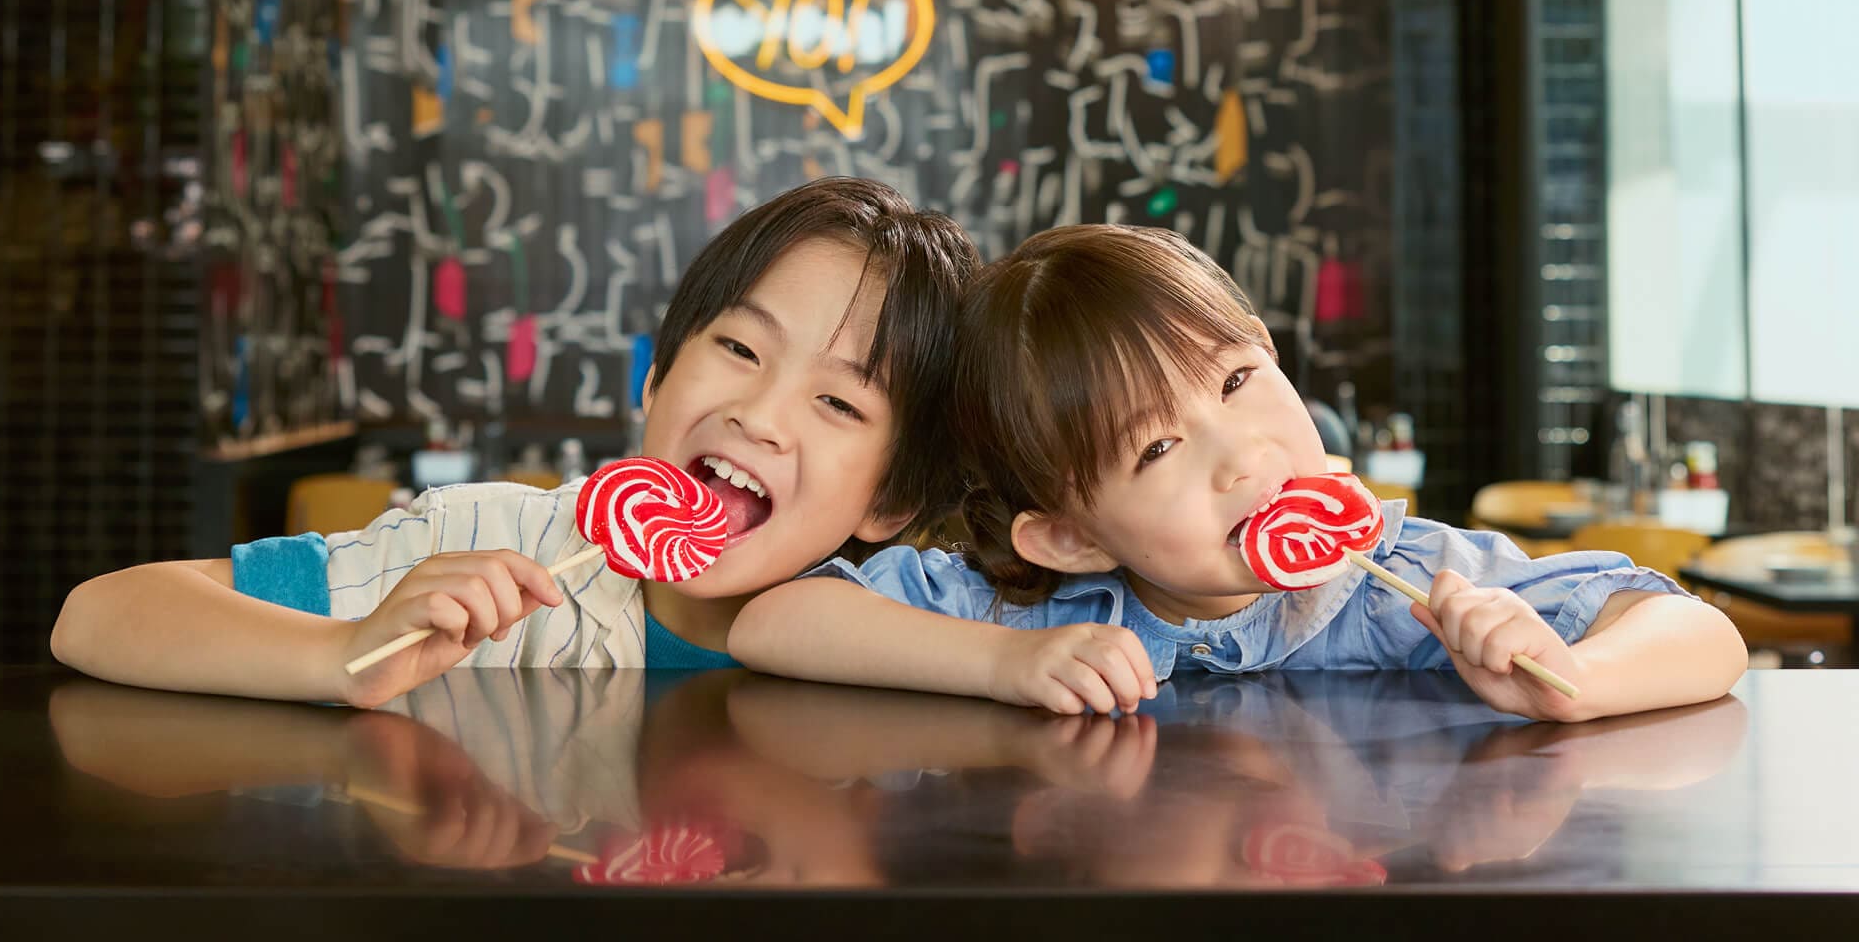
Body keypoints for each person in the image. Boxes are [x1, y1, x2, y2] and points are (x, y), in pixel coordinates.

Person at [730, 225, 1748, 722]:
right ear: (1071, 534)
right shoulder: (1040, 612)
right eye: (1157, 448)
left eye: (1238, 381)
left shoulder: (1414, 581)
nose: (1244, 456)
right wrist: (1001, 667)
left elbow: (1702, 631)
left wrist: (1577, 678)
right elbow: (773, 621)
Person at [51, 177, 979, 707]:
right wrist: (342, 655)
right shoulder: (485, 544)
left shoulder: (927, 643)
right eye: (738, 348)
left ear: (894, 498)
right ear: (654, 380)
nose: (762, 416)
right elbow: (96, 614)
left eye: (840, 404)